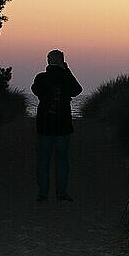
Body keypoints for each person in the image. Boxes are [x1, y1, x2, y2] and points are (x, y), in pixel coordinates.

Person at [31, 49, 83, 202]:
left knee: (43, 160)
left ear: (48, 61)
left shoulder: (41, 78)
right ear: (62, 61)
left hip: (44, 125)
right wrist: (67, 71)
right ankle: (61, 193)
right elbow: (77, 90)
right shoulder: (66, 78)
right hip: (63, 125)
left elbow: (35, 90)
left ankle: (43, 193)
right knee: (62, 161)